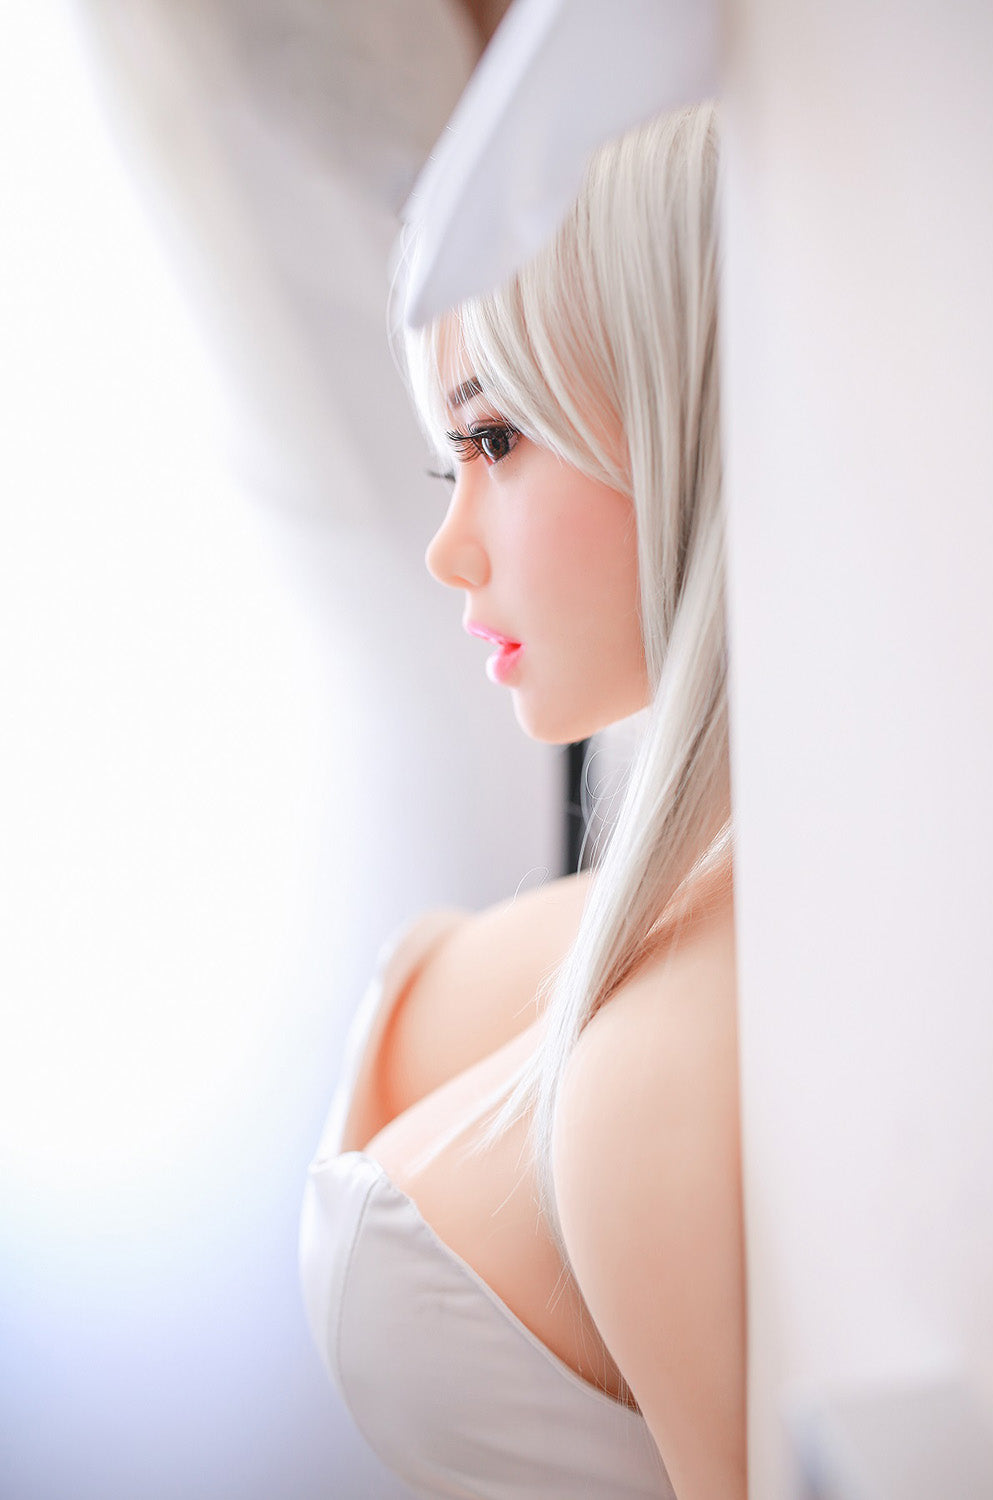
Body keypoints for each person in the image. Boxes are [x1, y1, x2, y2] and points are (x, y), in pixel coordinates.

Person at [300, 102, 745, 1500]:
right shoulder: (702, 894)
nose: (450, 548)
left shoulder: (656, 1088)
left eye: (493, 442)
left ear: (685, 406)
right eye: (457, 460)